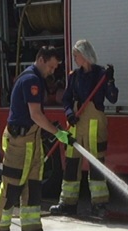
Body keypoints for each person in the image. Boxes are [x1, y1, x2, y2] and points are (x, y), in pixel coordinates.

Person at [0, 45, 69, 231]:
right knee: (12, 184)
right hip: (20, 141)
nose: (52, 71)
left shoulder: (36, 78)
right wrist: (57, 133)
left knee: (33, 186)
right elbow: (35, 114)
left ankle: (32, 229)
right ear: (41, 59)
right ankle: (0, 227)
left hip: (31, 140)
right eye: (51, 66)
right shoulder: (31, 80)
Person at [50, 40, 119, 218]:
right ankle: (67, 203)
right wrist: (69, 114)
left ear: (85, 55)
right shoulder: (74, 76)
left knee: (96, 166)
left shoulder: (101, 74)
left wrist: (110, 80)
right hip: (76, 125)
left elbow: (113, 98)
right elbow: (66, 99)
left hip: (95, 126)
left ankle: (99, 205)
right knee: (71, 165)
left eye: (76, 55)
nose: (74, 58)